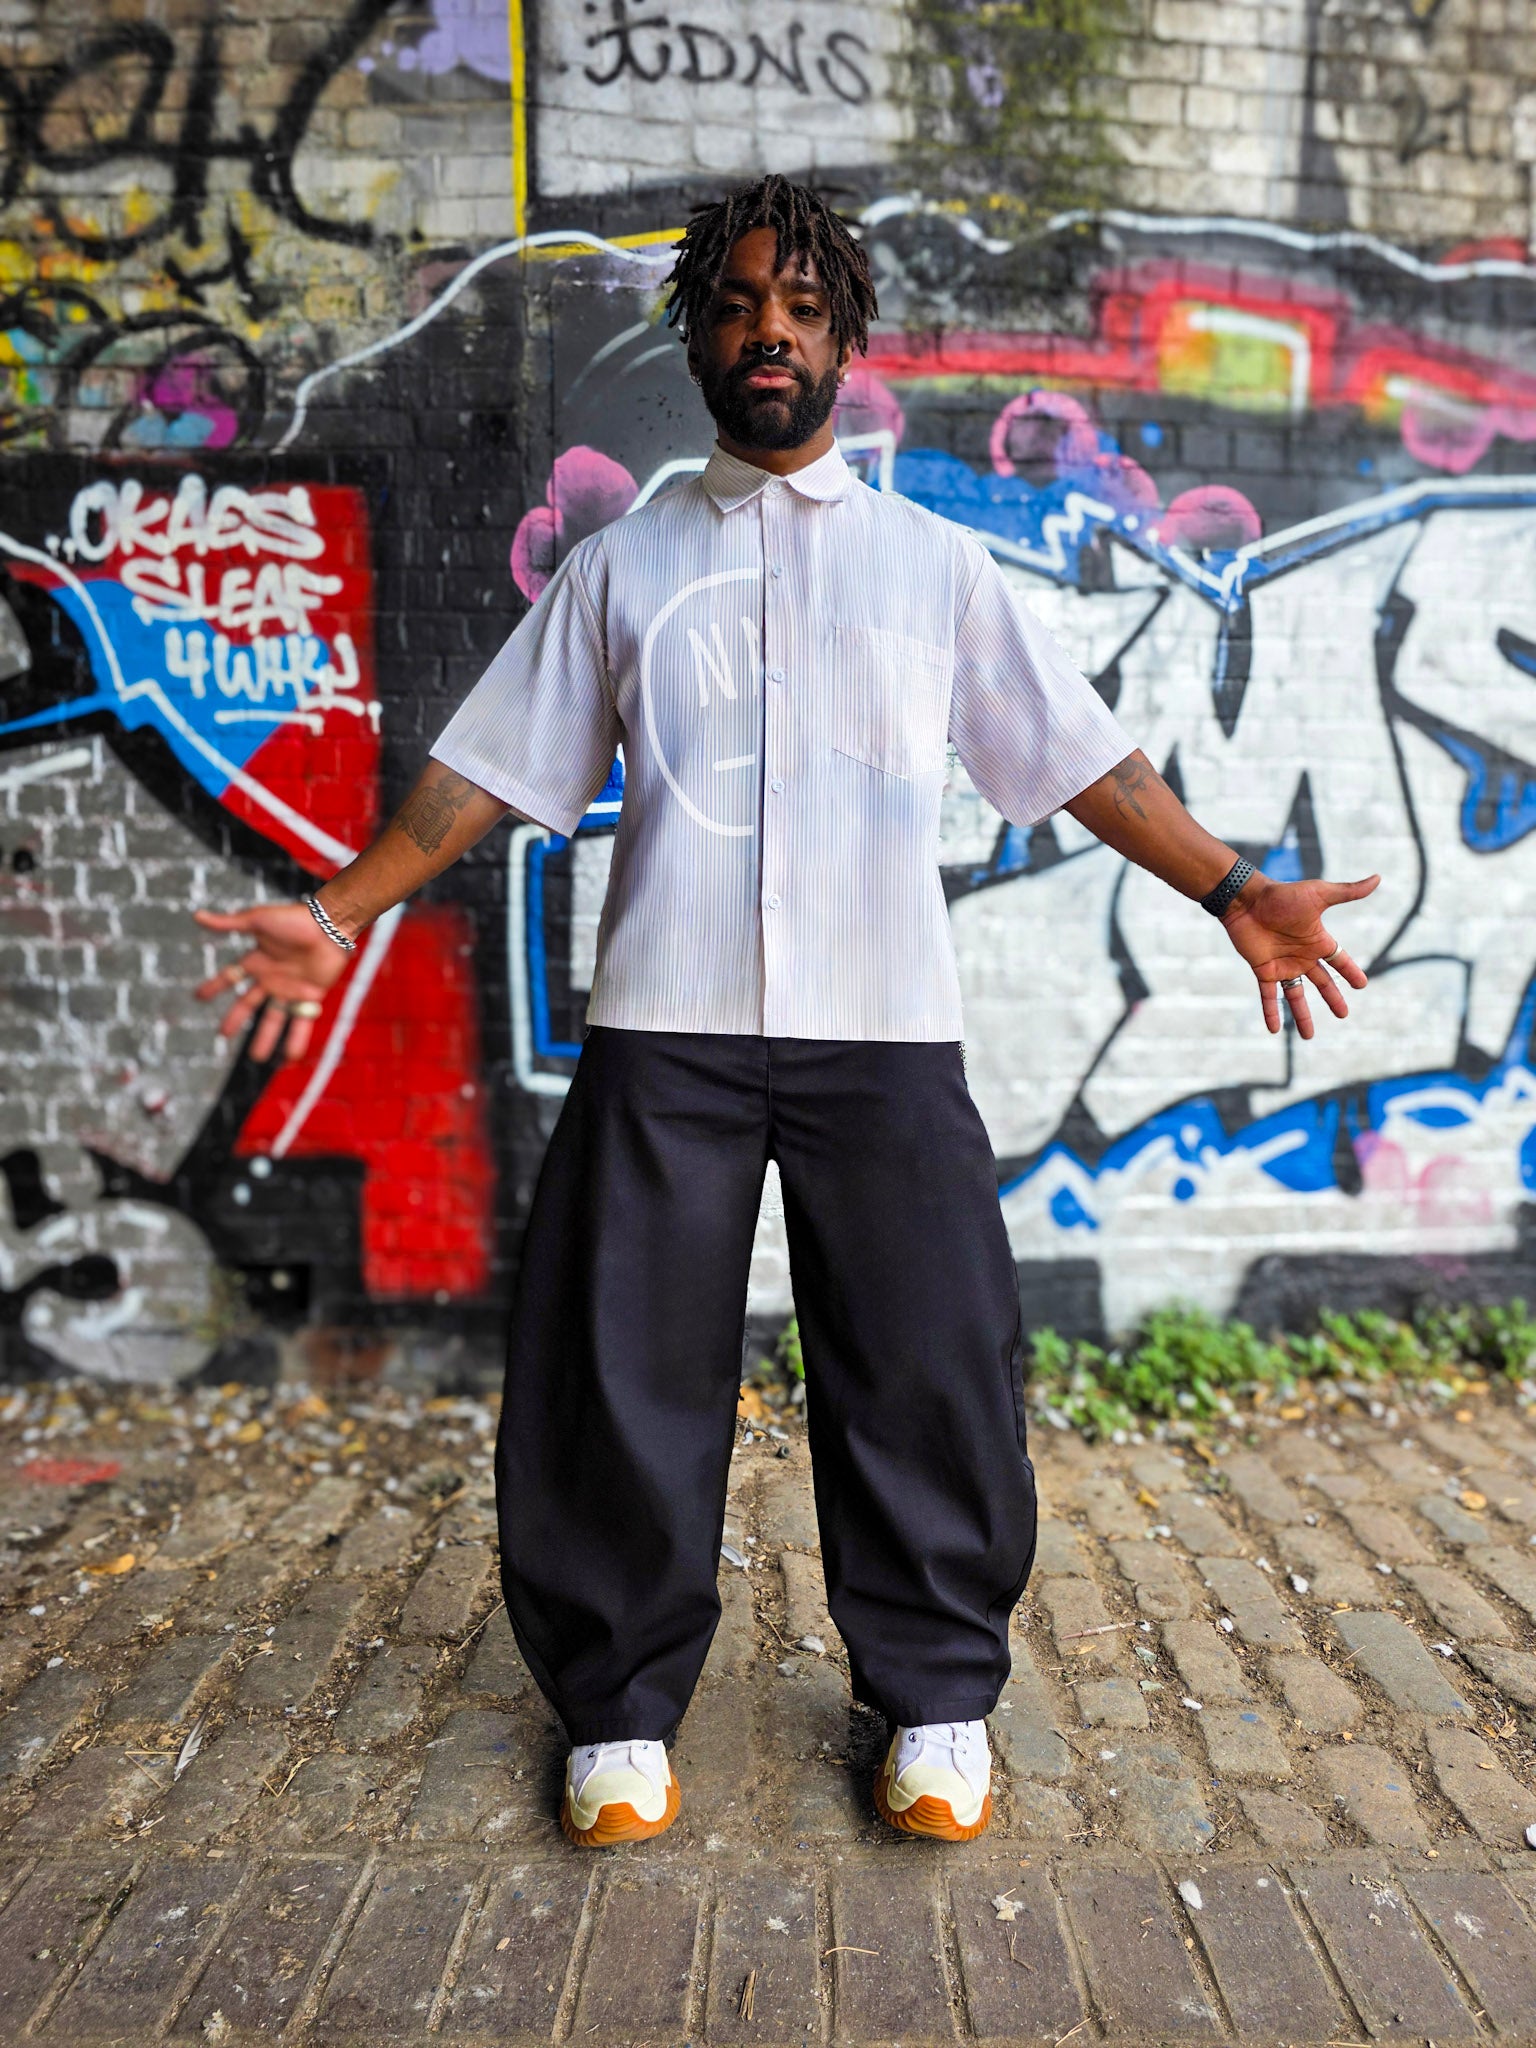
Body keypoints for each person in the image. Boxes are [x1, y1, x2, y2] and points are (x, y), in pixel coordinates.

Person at [194, 175, 1379, 1849]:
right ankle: (616, 1712)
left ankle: (937, 1700)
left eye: (805, 309)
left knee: (927, 1369)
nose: (772, 332)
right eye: (743, 304)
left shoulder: (935, 569)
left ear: (845, 342)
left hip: (884, 1034)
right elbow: (484, 773)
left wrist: (1232, 888)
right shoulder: (621, 570)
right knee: (621, 1372)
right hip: (665, 1029)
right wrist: (334, 911)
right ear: (701, 333)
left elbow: (1085, 759)